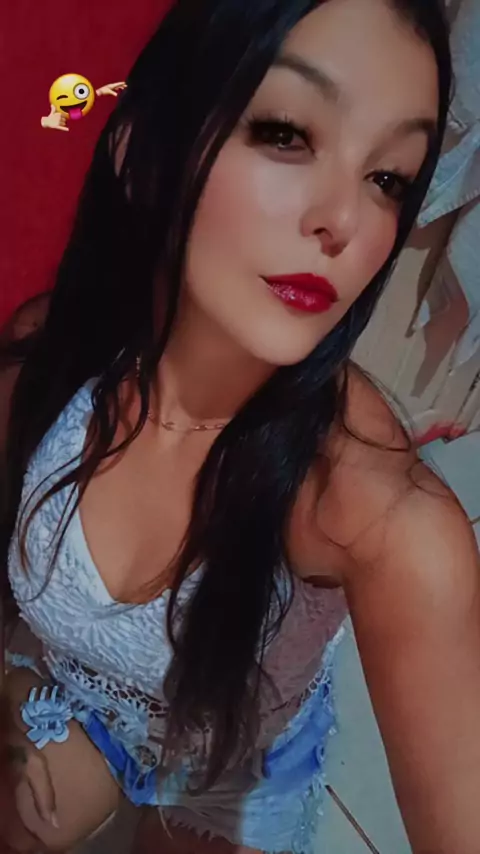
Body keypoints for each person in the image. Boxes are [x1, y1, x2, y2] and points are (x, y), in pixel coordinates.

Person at [1, 0, 479, 852]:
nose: (345, 220)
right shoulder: (49, 360)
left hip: (238, 774)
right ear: (143, 153)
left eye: (388, 178)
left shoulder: (379, 517)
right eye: (287, 133)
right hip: (75, 699)